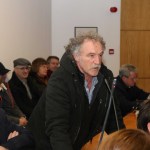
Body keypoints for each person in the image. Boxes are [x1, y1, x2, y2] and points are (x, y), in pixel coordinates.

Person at [28, 32, 125, 150]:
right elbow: (57, 128)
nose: (98, 61)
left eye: (100, 55)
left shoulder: (106, 78)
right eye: (91, 55)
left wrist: (124, 145)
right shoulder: (61, 79)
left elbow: (114, 118)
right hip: (45, 144)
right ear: (76, 56)